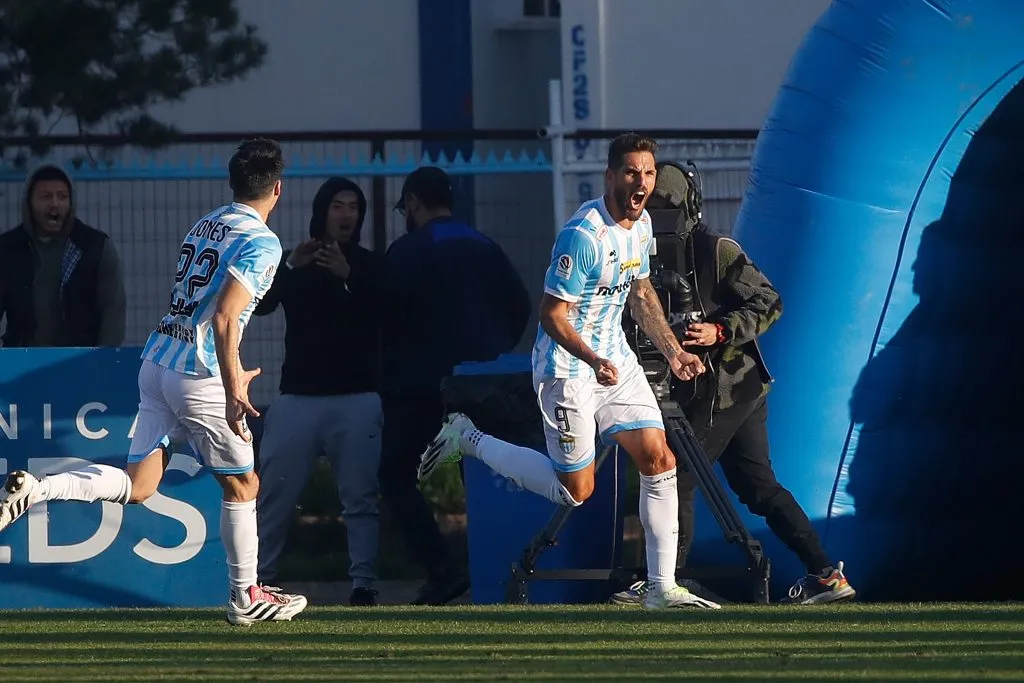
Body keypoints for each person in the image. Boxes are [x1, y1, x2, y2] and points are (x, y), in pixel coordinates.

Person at [0, 138, 308, 625]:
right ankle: (245, 596)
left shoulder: (205, 223)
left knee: (140, 485)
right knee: (244, 486)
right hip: (199, 374)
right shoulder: (263, 241)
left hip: (158, 360)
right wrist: (233, 387)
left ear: (233, 181)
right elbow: (226, 317)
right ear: (278, 189)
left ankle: (39, 489)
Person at [418, 133, 720, 610]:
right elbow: (552, 315)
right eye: (631, 172)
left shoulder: (641, 228)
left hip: (616, 362)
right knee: (575, 491)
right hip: (568, 369)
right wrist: (591, 359)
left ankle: (662, 589)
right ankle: (468, 438)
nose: (641, 182)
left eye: (648, 172)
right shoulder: (583, 236)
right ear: (611, 175)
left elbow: (640, 294)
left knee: (659, 459)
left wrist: (673, 350)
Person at [608, 161, 856, 606]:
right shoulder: (633, 253)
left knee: (673, 471)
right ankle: (824, 573)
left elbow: (769, 301)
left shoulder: (716, 250)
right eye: (652, 206)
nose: (660, 217)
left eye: (667, 206)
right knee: (758, 487)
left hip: (731, 386)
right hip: (703, 390)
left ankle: (666, 581)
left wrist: (719, 332)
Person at [380, 165, 532, 606]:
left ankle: (443, 570)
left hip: (421, 385)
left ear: (412, 203)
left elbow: (385, 314)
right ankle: (502, 567)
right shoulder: (483, 245)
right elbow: (520, 304)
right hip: (482, 385)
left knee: (395, 474)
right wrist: (490, 352)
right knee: (484, 475)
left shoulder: (408, 250)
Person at [252, 176, 384, 607]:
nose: (346, 215)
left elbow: (386, 313)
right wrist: (290, 265)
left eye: (353, 207)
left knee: (360, 498)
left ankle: (363, 584)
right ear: (322, 212)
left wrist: (349, 277)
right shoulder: (299, 262)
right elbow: (263, 302)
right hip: (298, 399)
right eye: (338, 207)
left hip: (357, 399)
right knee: (274, 493)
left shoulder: (369, 264)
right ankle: (258, 579)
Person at [0, 164, 126, 347]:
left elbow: (112, 310)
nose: (55, 203)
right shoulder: (8, 249)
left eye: (62, 196)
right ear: (29, 202)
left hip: (79, 361)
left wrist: (104, 360)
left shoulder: (94, 247)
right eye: (45, 197)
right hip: (23, 361)